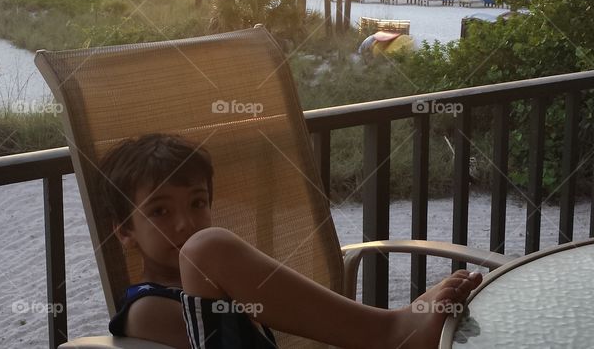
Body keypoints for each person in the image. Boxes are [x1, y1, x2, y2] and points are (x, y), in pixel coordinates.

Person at [102, 133, 483, 349]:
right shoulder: (145, 310)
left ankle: (392, 331)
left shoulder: (219, 284)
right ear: (124, 230)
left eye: (198, 203)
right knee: (207, 248)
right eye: (159, 212)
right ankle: (389, 331)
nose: (185, 223)